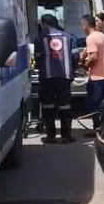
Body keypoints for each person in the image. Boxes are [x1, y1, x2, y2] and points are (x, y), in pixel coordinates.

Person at [34, 14, 80, 144]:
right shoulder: (69, 37)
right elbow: (76, 57)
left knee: (48, 106)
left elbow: (37, 58)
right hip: (64, 77)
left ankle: (51, 136)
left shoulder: (40, 39)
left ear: (44, 24)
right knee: (65, 106)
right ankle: (66, 136)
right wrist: (72, 69)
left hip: (46, 78)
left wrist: (42, 68)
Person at [79, 14, 104, 134]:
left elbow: (94, 56)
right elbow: (90, 50)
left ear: (85, 25)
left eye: (82, 25)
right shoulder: (102, 36)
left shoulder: (90, 38)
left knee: (94, 105)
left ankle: (97, 129)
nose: (82, 28)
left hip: (97, 78)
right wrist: (83, 56)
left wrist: (85, 65)